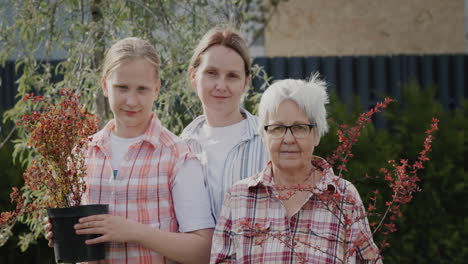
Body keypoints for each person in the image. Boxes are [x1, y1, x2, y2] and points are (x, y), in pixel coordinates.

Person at [45, 37, 214, 263]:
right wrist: (59, 231)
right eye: (122, 87)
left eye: (142, 89)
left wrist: (135, 232)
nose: (131, 100)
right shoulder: (81, 154)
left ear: (156, 89)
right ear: (105, 85)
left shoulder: (177, 156)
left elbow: (202, 251)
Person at [210, 76, 382, 263]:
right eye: (277, 128)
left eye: (300, 128)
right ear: (264, 136)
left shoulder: (344, 197)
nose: (289, 139)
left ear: (316, 135)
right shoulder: (238, 197)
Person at [180, 27, 269, 220]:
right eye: (211, 73)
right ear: (193, 76)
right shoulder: (179, 148)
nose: (221, 85)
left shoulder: (270, 140)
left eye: (232, 76)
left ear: (246, 82)